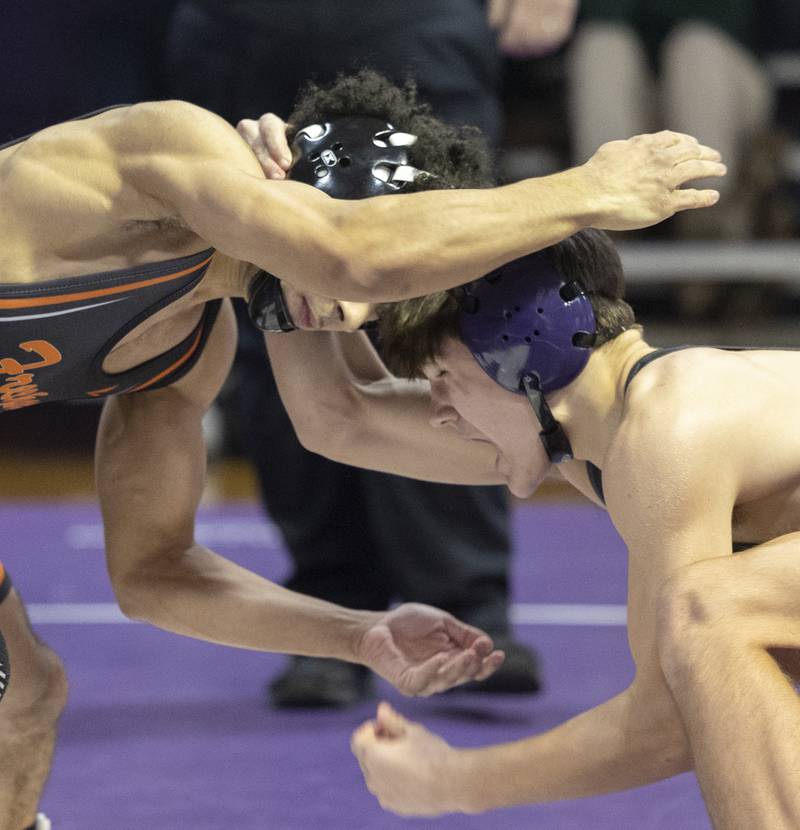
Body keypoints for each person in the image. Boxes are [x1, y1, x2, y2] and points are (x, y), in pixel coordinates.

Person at [0, 71, 724, 829]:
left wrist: (356, 633)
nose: (349, 315)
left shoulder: (195, 336)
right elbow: (348, 256)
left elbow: (159, 569)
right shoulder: (170, 146)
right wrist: (586, 188)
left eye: (379, 310)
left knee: (26, 693)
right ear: (307, 195)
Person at [259, 161, 798, 821]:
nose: (439, 412)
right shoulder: (593, 439)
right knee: (740, 650)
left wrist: (453, 781)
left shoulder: (673, 424)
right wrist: (273, 254)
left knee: (711, 616)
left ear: (524, 346)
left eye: (442, 377)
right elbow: (340, 420)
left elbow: (666, 725)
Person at [165, 0, 565, 708]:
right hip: (239, 24)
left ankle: (466, 599)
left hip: (415, 16)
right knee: (270, 287)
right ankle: (329, 606)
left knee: (443, 284)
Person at [567, 0, 773, 239]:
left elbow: (716, 15)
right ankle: (607, 209)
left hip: (723, 76)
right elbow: (599, 13)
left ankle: (707, 211)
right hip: (641, 88)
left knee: (694, 45)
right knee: (602, 42)